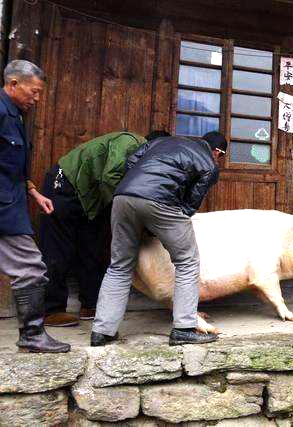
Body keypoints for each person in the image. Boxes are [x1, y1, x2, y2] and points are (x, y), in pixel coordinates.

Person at [90, 131, 227, 346]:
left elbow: (131, 162)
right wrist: (162, 220)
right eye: (220, 155)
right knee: (187, 261)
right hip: (161, 200)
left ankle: (102, 331)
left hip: (123, 197)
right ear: (217, 151)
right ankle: (184, 328)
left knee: (119, 266)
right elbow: (191, 204)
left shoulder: (162, 141)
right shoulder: (209, 164)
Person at [40, 130, 170, 327]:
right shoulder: (129, 142)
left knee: (92, 249)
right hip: (64, 185)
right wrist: (130, 212)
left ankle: (90, 304)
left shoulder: (143, 161)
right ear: (154, 146)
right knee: (59, 249)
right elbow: (110, 177)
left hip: (91, 199)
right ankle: (52, 310)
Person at [0, 60, 70, 352]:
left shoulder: (15, 115)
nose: (37, 98)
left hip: (12, 200)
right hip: (3, 208)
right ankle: (31, 334)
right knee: (30, 267)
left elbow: (11, 165)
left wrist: (33, 191)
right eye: (34, 91)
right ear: (13, 84)